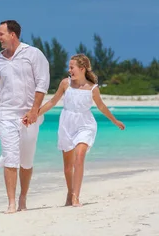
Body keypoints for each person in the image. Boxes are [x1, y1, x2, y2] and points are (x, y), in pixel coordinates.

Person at [0, 20, 50, 214]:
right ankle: (11, 202)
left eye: (1, 34)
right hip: (6, 114)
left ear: (12, 34)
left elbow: (42, 83)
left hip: (30, 116)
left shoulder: (33, 54)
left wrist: (34, 110)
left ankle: (23, 197)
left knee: (26, 161)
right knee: (10, 157)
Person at [38, 54, 125, 207]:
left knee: (79, 156)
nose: (69, 70)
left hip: (85, 124)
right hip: (67, 124)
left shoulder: (93, 88)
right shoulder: (66, 84)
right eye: (69, 67)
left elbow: (102, 107)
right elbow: (52, 101)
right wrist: (34, 114)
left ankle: (76, 197)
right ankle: (70, 192)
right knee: (67, 167)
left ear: (82, 68)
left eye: (72, 67)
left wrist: (114, 120)